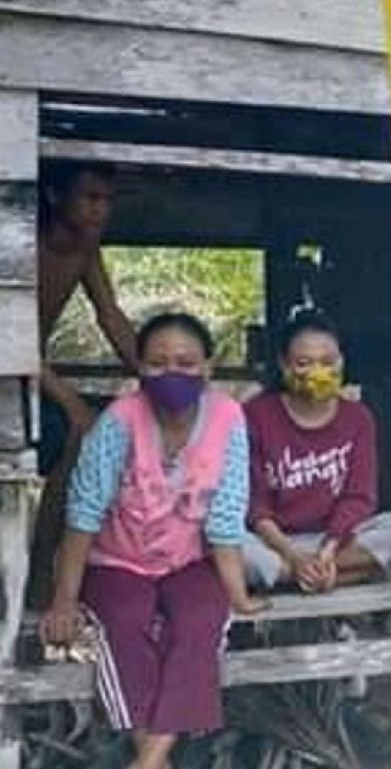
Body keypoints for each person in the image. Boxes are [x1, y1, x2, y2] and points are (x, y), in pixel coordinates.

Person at [39, 312, 264, 769]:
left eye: (186, 361)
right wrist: (63, 600)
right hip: (115, 558)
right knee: (124, 618)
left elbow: (225, 516)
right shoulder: (118, 422)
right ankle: (155, 760)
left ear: (208, 366)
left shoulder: (228, 418)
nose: (173, 373)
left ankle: (146, 762)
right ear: (139, 367)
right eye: (158, 363)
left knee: (201, 619)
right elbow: (83, 514)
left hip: (188, 559)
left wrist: (238, 593)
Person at [29, 162, 139, 607]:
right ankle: (35, 576)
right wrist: (68, 400)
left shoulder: (86, 249)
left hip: (31, 373)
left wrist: (154, 371)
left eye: (108, 201)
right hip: (14, 367)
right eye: (90, 198)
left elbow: (109, 314)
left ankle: (44, 564)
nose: (100, 210)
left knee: (87, 432)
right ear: (55, 197)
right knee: (77, 421)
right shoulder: (24, 244)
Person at [242, 311, 391, 593]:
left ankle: (297, 578)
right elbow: (254, 505)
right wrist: (292, 555)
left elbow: (359, 497)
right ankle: (331, 576)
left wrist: (328, 549)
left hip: (337, 540)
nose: (318, 372)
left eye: (328, 362)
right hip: (274, 542)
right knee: (225, 546)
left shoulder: (358, 418)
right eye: (304, 363)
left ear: (342, 362)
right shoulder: (255, 415)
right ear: (284, 365)